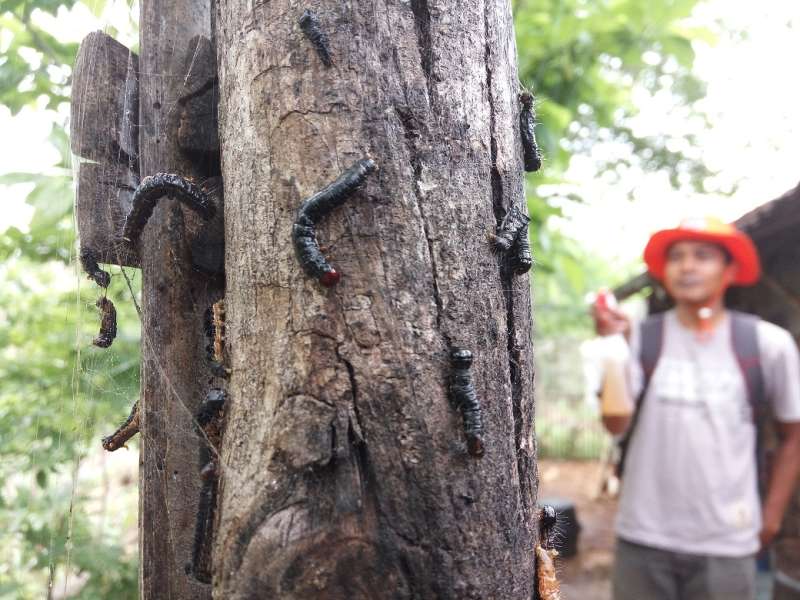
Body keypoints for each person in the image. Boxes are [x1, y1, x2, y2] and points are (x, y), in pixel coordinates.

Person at [594, 217, 800, 600]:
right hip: (644, 535)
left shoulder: (768, 344)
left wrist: (770, 517)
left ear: (730, 269)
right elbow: (614, 422)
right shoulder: (641, 337)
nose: (687, 266)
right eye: (677, 257)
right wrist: (613, 348)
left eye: (702, 256)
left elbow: (794, 436)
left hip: (727, 540)